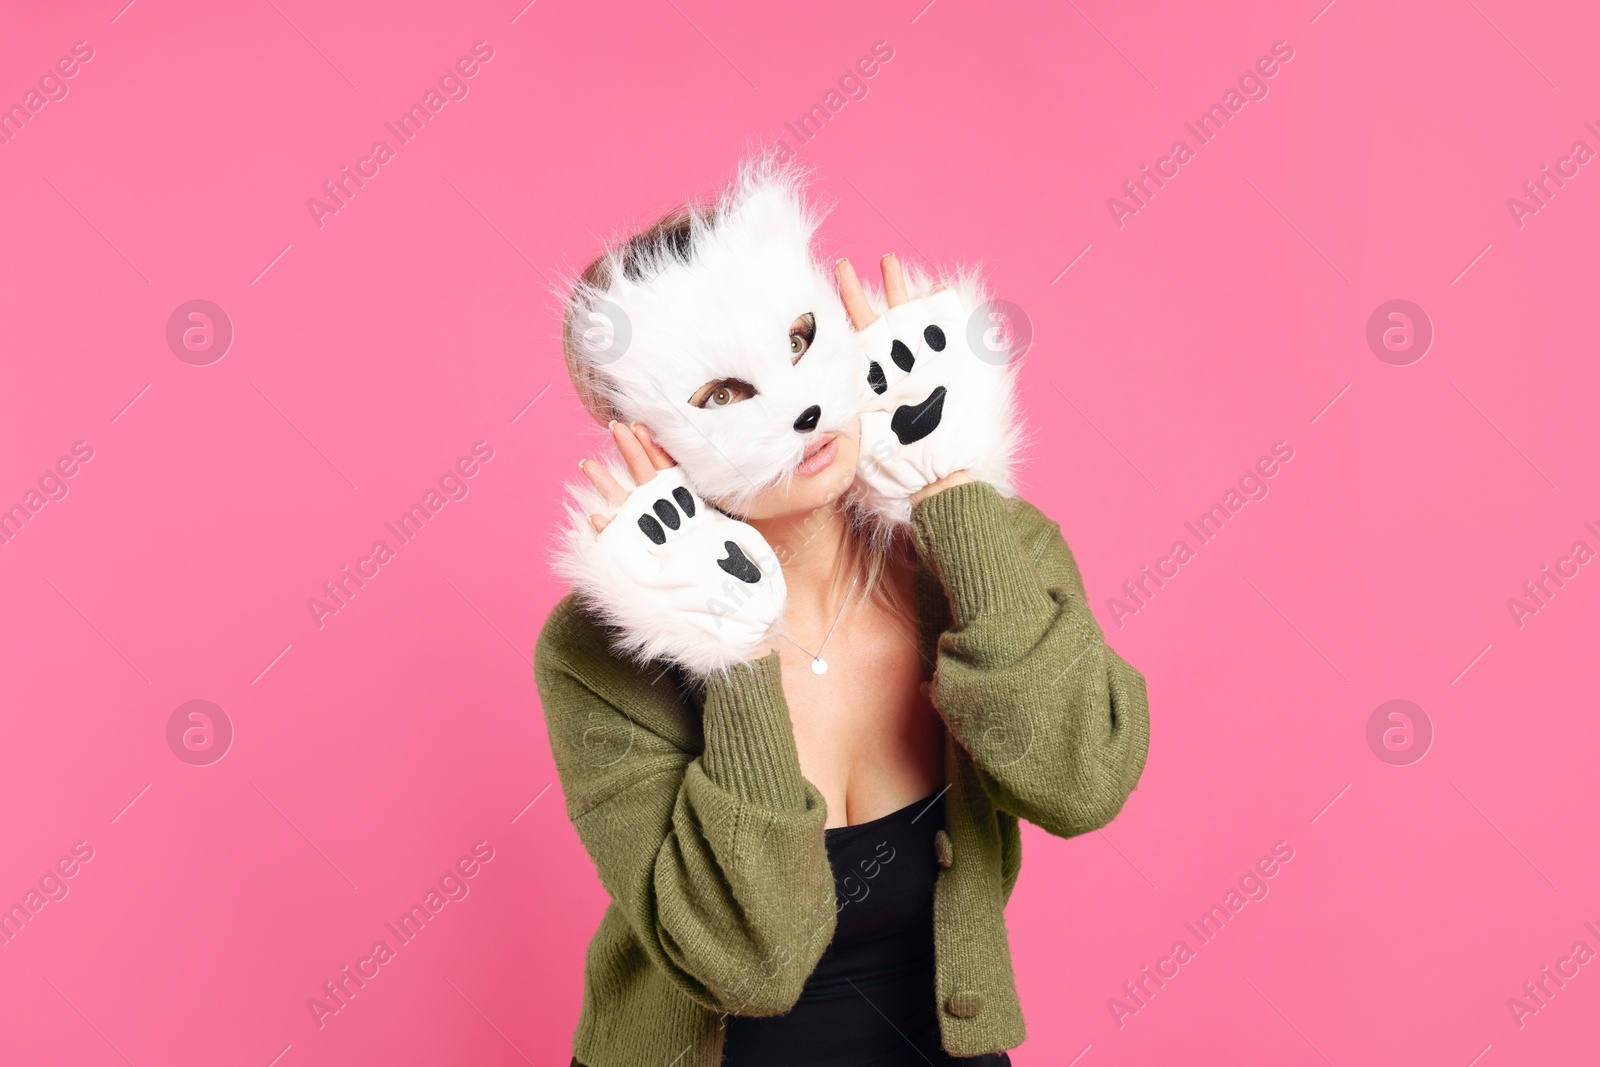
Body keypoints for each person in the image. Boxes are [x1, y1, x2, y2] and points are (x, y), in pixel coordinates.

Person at [535, 161, 1149, 1067]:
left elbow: (1082, 779)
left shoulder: (981, 548)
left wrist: (952, 495)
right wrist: (725, 639)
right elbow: (753, 963)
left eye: (799, 338)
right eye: (724, 394)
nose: (802, 405)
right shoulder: (594, 653)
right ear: (646, 445)